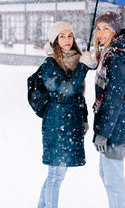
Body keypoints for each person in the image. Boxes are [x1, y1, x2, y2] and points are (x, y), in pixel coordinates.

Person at [37, 21, 96, 208]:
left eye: (69, 35)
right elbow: (65, 89)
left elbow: (78, 94)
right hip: (56, 123)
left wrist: (84, 119)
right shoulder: (50, 63)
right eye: (61, 36)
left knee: (57, 174)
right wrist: (83, 67)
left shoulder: (75, 60)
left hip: (70, 123)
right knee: (56, 175)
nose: (67, 40)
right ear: (54, 40)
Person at [92, 11, 125, 208]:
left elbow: (114, 99)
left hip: (114, 130)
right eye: (98, 28)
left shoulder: (117, 58)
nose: (101, 33)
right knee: (107, 176)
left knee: (113, 181)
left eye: (106, 28)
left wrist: (104, 133)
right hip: (113, 126)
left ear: (115, 30)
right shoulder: (109, 54)